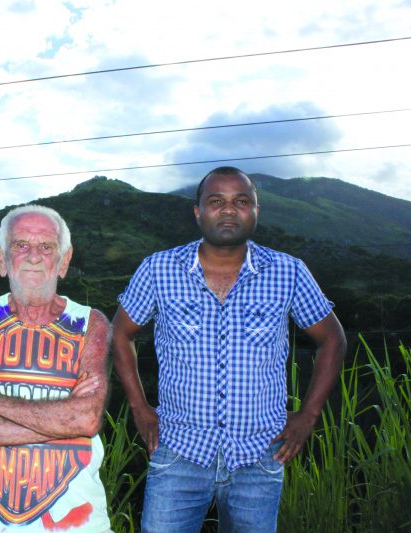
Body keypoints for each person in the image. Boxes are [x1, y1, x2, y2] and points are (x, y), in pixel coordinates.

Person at [112, 167, 347, 533]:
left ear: (256, 211)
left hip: (259, 456)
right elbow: (119, 333)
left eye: (241, 201)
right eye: (216, 201)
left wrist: (308, 415)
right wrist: (140, 407)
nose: (228, 210)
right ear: (198, 212)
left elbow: (333, 339)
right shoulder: (159, 269)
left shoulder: (288, 272)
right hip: (178, 452)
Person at [0, 205, 113, 532]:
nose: (34, 256)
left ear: (64, 260)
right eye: (20, 245)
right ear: (1, 257)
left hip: (76, 521)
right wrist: (61, 423)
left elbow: (86, 419)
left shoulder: (91, 323)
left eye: (46, 246)